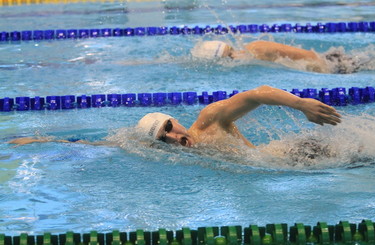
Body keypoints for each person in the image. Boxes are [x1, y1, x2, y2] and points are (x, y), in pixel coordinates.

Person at [9, 85, 342, 148]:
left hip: (298, 153)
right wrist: (43, 139)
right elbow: (101, 144)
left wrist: (300, 104)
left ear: (175, 120)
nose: (173, 137)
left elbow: (256, 93)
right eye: (163, 139)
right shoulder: (166, 150)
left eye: (169, 127)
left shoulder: (210, 120)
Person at [191, 40, 352, 73]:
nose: (236, 57)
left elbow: (309, 55)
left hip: (335, 63)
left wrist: (329, 70)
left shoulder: (257, 49)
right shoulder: (251, 59)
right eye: (230, 57)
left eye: (231, 53)